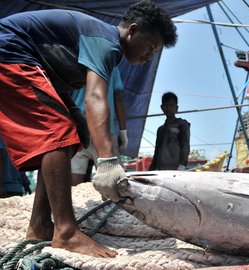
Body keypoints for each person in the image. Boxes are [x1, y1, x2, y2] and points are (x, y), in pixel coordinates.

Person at [0, 0, 177, 257]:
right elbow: (95, 97)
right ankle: (67, 232)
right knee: (58, 133)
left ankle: (40, 225)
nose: (149, 56)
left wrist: (75, 115)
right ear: (133, 30)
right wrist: (107, 160)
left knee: (71, 136)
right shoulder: (106, 43)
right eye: (150, 47)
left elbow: (52, 77)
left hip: (21, 55)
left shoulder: (98, 44)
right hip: (8, 49)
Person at [71, 67, 127, 186]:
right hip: (103, 130)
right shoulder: (112, 65)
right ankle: (114, 203)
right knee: (113, 180)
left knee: (74, 181)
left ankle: (73, 204)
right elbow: (118, 97)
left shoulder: (74, 59)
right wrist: (123, 131)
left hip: (77, 129)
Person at [149, 92, 191, 171]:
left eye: (171, 105)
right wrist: (151, 170)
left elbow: (185, 146)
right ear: (162, 107)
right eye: (165, 105)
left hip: (176, 168)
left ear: (176, 108)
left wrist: (182, 166)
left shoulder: (182, 124)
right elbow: (157, 151)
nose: (168, 108)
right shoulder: (160, 130)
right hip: (161, 169)